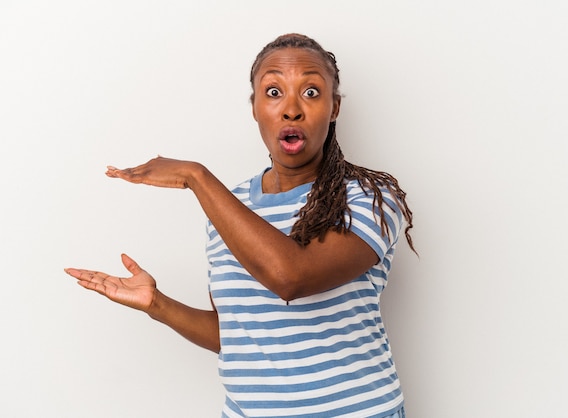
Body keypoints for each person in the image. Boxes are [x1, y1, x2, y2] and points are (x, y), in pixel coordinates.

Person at [65, 33, 415, 418]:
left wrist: (195, 175)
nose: (292, 109)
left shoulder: (371, 196)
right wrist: (157, 305)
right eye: (273, 92)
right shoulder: (228, 208)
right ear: (254, 107)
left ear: (335, 108)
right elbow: (237, 335)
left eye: (312, 92)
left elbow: (290, 277)